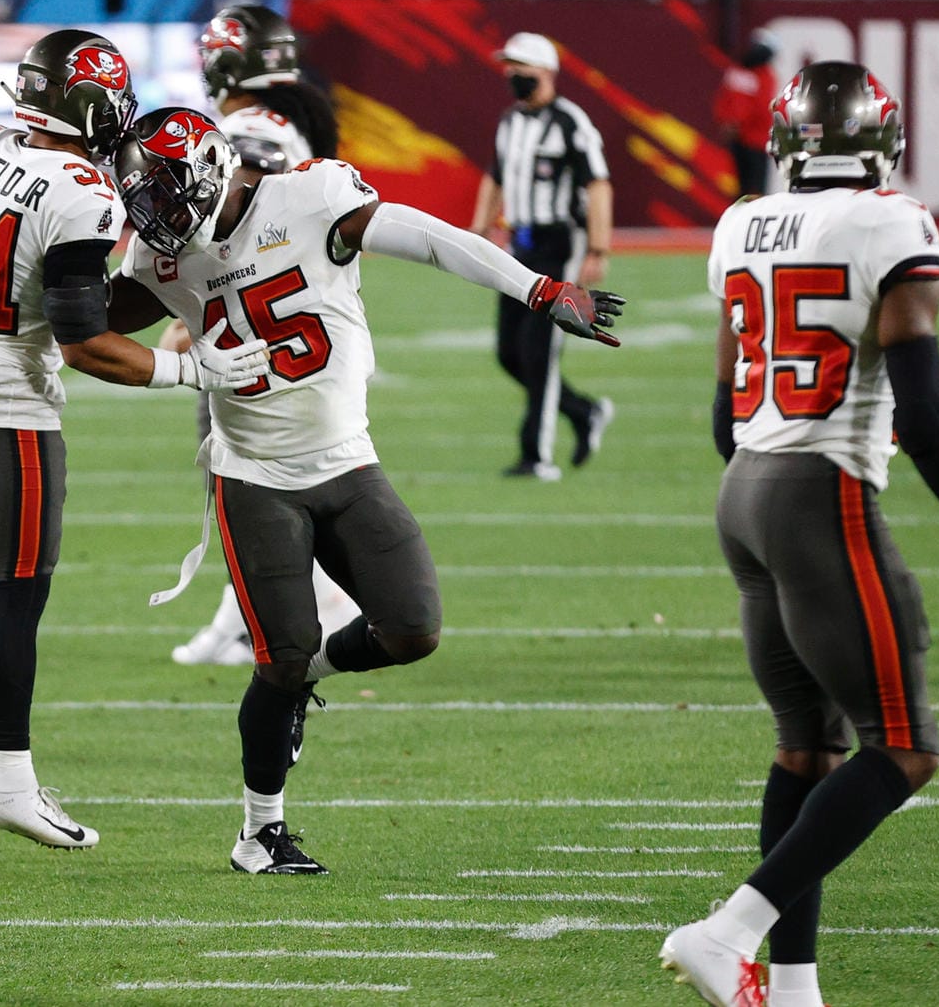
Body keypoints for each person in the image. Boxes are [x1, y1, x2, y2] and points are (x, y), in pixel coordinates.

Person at [110, 107, 622, 874]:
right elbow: (86, 329)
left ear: (215, 169)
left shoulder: (309, 197)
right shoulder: (158, 260)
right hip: (254, 477)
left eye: (166, 195)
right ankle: (259, 832)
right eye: (142, 200)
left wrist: (537, 289)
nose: (156, 217)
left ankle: (307, 681)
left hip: (348, 463)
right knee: (276, 659)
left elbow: (428, 238)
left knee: (411, 629)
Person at [660, 61, 939, 1007]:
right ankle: (726, 931)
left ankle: (793, 989)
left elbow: (719, 412)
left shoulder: (739, 219)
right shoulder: (890, 221)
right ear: (886, 142)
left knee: (806, 748)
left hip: (742, 494)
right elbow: (930, 412)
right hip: (817, 498)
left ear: (787, 144)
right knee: (904, 746)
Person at [0, 30, 269, 851]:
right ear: (89, 100)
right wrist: (197, 373)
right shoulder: (82, 190)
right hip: (4, 396)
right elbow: (86, 345)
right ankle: (7, 780)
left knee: (2, 563)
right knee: (20, 585)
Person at [168, 5, 363, 679]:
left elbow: (232, 230)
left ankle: (309, 608)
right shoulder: (289, 123)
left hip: (253, 335)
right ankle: (243, 616)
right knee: (266, 484)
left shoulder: (245, 132)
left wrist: (191, 305)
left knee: (245, 483)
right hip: (298, 326)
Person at [468, 31, 615, 482]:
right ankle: (583, 411)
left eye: (521, 67)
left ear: (546, 71)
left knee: (540, 352)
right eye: (509, 67)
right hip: (521, 245)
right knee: (509, 353)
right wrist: (478, 228)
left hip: (559, 246)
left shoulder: (571, 122)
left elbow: (598, 184)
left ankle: (537, 455)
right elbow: (495, 176)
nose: (512, 75)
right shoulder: (510, 122)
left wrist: (597, 247)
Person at [713, 30, 778, 199]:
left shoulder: (763, 75)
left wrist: (733, 123)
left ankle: (751, 217)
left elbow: (759, 107)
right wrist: (728, 122)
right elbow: (727, 101)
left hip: (755, 138)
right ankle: (743, 217)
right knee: (744, 185)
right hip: (745, 138)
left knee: (754, 185)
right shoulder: (744, 73)